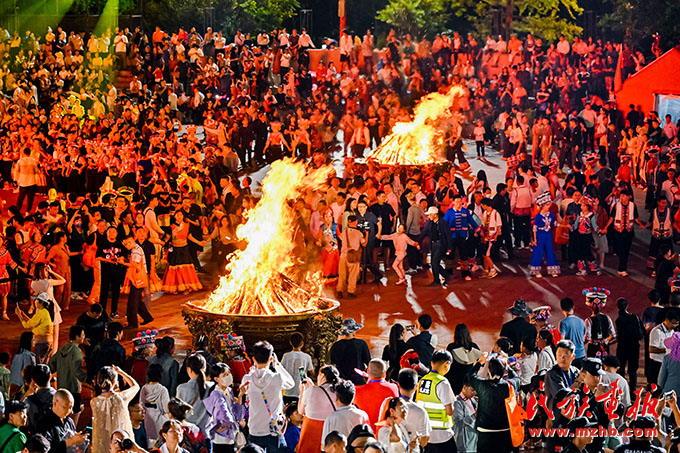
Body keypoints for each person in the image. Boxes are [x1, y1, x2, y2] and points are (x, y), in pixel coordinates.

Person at [242, 341, 294, 452]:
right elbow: (291, 383)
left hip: (254, 428)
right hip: (273, 429)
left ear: (253, 359)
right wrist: (277, 365)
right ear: (271, 359)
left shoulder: (247, 379)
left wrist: (254, 370)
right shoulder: (277, 378)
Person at [469, 353, 519, 453]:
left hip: (485, 431)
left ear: (489, 371)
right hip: (505, 430)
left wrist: (480, 362)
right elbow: (516, 378)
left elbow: (471, 375)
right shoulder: (510, 385)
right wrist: (507, 366)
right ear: (503, 371)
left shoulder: (481, 385)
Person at [90, 365, 140, 453]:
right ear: (114, 382)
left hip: (103, 444)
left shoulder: (94, 402)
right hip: (121, 443)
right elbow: (136, 386)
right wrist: (121, 372)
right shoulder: (121, 398)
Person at [415, 350, 456, 453]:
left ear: (432, 363)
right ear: (447, 364)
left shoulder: (422, 381)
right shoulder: (442, 383)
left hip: (425, 435)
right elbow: (449, 411)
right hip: (442, 436)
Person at [47, 325, 87, 424]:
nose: (84, 337)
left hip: (62, 387)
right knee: (75, 414)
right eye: (82, 335)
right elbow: (77, 370)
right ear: (77, 337)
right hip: (74, 388)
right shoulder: (77, 351)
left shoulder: (62, 349)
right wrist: (87, 379)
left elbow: (51, 365)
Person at [204, 363, 246, 452]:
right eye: (224, 375)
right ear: (216, 379)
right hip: (222, 438)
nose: (229, 376)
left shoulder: (229, 390)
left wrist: (240, 397)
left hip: (230, 436)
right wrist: (236, 423)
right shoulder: (216, 394)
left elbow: (237, 414)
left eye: (229, 373)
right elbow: (225, 416)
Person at [298, 365, 340, 453]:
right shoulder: (339, 391)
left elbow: (301, 411)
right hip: (332, 429)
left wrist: (302, 392)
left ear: (323, 376)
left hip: (311, 429)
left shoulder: (311, 391)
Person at [354, 359, 399, 432]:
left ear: (368, 371)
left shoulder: (358, 391)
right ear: (384, 373)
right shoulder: (393, 388)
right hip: (386, 433)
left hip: (366, 432)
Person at [122, 234, 154, 328]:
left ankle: (132, 323)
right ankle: (147, 317)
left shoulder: (135, 250)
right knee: (137, 300)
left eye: (126, 244)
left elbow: (135, 264)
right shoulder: (137, 249)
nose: (125, 246)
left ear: (130, 242)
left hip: (137, 278)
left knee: (133, 302)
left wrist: (123, 262)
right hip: (138, 277)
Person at [176, 354, 214, 433]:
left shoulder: (181, 388)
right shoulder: (212, 387)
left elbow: (178, 409)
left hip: (188, 433)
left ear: (189, 369)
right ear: (205, 368)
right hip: (206, 432)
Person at [330, 319, 371, 386]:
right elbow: (368, 361)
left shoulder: (336, 346)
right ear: (354, 331)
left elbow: (333, 364)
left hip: (342, 381)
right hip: (359, 379)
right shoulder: (361, 344)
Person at [15, 293, 53, 362]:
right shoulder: (45, 312)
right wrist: (24, 316)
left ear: (41, 302)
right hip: (48, 341)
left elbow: (26, 325)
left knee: (37, 363)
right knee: (44, 363)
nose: (35, 302)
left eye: (36, 300)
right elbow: (33, 323)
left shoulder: (41, 313)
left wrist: (19, 316)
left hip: (41, 342)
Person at [614, 298, 643, 389]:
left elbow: (619, 335)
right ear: (627, 306)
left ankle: (622, 389)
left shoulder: (619, 320)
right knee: (632, 370)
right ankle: (633, 391)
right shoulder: (635, 317)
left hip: (622, 347)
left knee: (621, 369)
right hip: (634, 347)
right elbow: (642, 331)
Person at [529, 193, 560, 278]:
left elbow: (555, 224)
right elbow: (535, 228)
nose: (548, 207)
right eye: (546, 205)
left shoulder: (551, 214)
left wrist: (564, 226)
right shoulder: (538, 216)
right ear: (542, 206)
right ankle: (536, 271)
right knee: (538, 252)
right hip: (540, 235)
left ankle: (552, 270)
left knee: (550, 251)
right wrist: (535, 239)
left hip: (548, 235)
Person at [445, 324, 482, 395]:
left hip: (453, 380)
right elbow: (481, 361)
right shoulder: (473, 347)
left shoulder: (451, 347)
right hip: (467, 381)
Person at [544, 339, 581, 410]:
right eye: (559, 355)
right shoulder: (552, 373)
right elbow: (562, 397)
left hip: (573, 409)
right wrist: (577, 382)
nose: (562, 358)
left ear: (573, 357)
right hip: (557, 412)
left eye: (565, 355)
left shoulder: (576, 371)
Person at [140, 363, 171, 446]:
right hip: (161, 422)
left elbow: (141, 405)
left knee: (150, 444)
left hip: (148, 421)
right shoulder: (163, 390)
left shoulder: (144, 388)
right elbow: (166, 409)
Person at [337, 215, 367, 299]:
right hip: (353, 257)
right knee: (353, 275)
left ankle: (339, 291)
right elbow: (364, 243)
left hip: (343, 256)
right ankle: (350, 291)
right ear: (356, 222)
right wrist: (367, 233)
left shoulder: (344, 232)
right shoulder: (358, 233)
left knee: (342, 275)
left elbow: (340, 239)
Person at [281, 332, 314, 405]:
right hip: (301, 391)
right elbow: (312, 372)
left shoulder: (286, 356)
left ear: (290, 342)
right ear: (302, 343)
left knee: (287, 411)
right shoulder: (307, 357)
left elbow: (281, 370)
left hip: (288, 391)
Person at [649, 311, 680, 384]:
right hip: (657, 364)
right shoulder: (657, 331)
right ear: (667, 320)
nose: (675, 325)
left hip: (667, 364)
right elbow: (651, 349)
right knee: (656, 388)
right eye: (673, 323)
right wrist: (668, 350)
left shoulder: (672, 331)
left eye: (677, 323)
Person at [25, 364, 55, 432]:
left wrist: (28, 393)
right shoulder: (59, 396)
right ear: (50, 377)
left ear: (33, 380)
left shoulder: (29, 401)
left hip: (37, 438)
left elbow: (19, 411)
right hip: (57, 437)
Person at [559, 298, 587, 367]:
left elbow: (562, 341)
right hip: (582, 354)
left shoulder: (563, 323)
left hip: (570, 355)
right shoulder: (581, 321)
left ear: (562, 309)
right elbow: (583, 339)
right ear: (573, 307)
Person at [453, 377, 477, 453]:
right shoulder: (457, 402)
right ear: (465, 387)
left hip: (474, 442)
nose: (474, 393)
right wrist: (474, 416)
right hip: (465, 444)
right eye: (472, 390)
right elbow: (459, 423)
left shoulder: (473, 400)